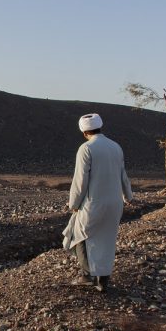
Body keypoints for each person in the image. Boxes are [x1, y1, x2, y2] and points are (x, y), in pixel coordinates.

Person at [62, 113, 133, 292]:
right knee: (107, 240)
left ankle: (87, 276)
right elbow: (123, 174)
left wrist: (74, 204)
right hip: (115, 203)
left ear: (84, 131)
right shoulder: (116, 147)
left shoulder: (86, 148)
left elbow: (80, 181)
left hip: (94, 203)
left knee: (79, 235)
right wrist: (128, 195)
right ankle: (103, 280)